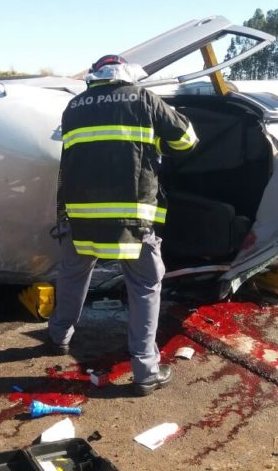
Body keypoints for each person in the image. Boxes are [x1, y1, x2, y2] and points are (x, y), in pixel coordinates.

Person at [47, 54, 199, 396]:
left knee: (73, 274)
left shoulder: (74, 106)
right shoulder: (144, 99)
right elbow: (187, 141)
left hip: (81, 216)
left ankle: (58, 336)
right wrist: (155, 144)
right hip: (130, 219)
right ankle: (145, 370)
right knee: (145, 284)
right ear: (127, 73)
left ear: (96, 76)